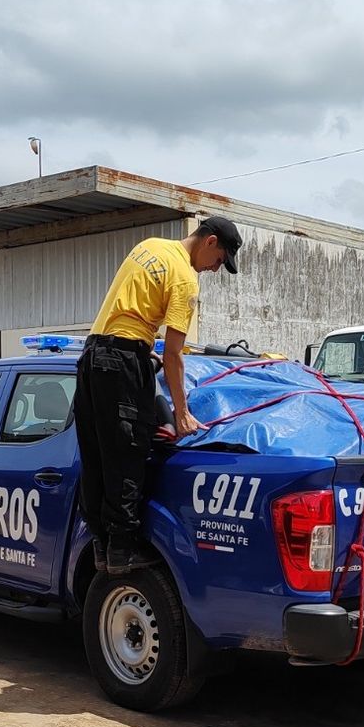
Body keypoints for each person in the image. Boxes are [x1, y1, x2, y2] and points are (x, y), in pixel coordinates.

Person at [73, 217, 241, 574]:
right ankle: (123, 551)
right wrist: (181, 412)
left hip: (91, 357)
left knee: (97, 456)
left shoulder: (150, 245)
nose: (213, 269)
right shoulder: (185, 278)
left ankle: (103, 547)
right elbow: (174, 355)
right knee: (128, 453)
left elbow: (131, 314)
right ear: (210, 242)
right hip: (121, 362)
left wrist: (137, 348)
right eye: (219, 260)